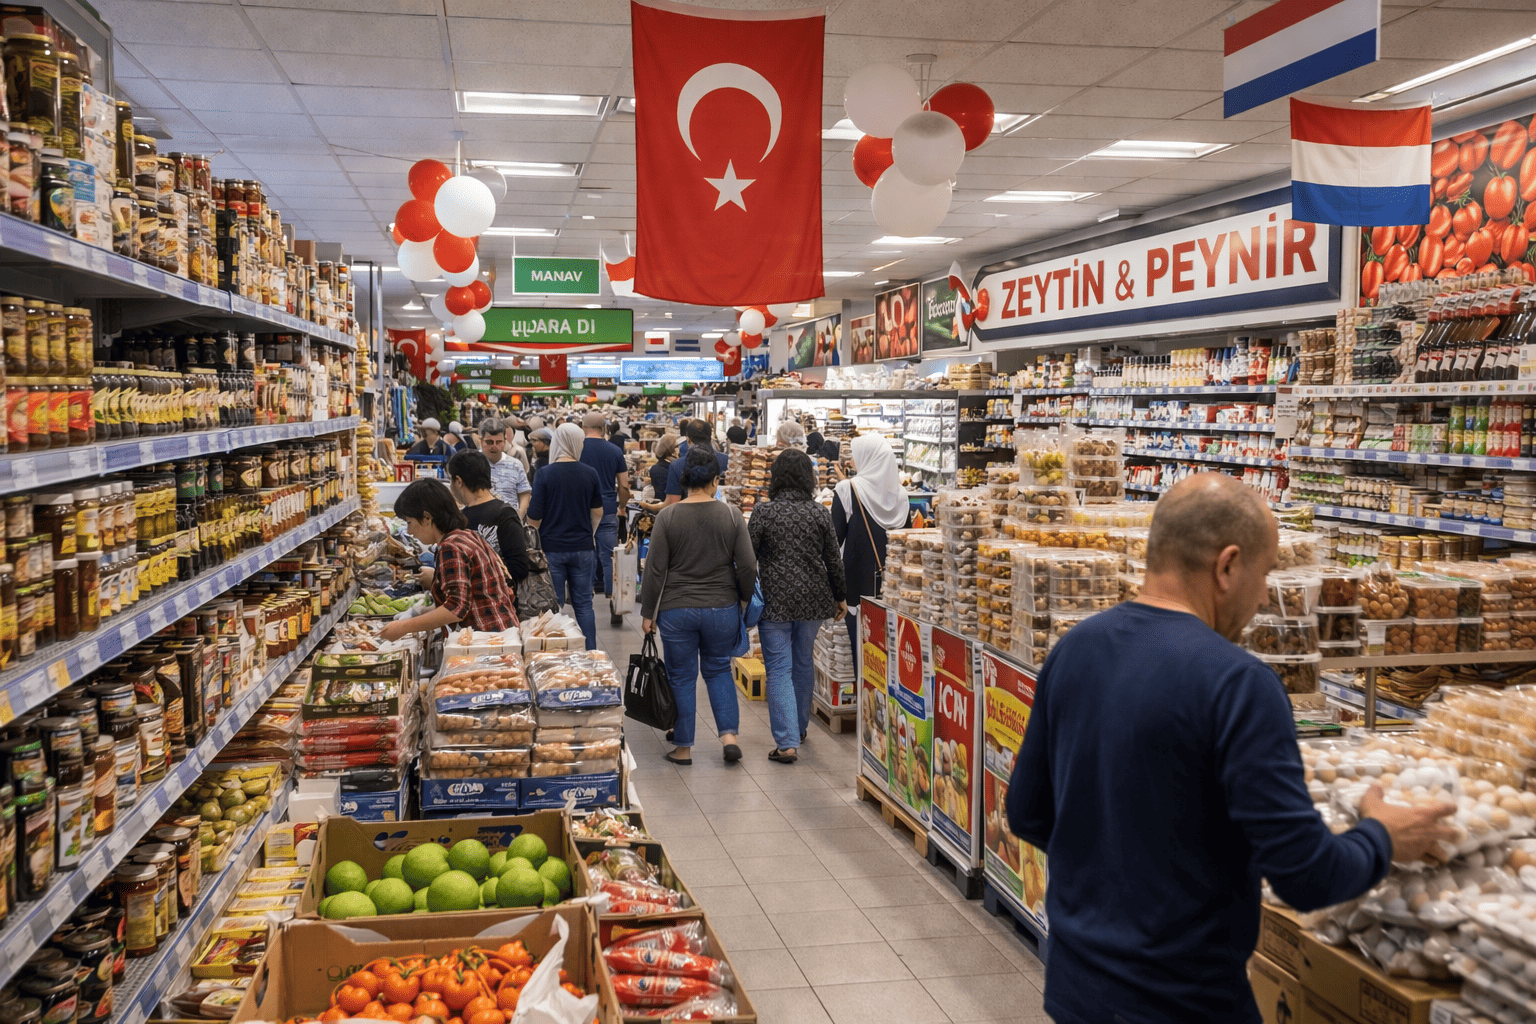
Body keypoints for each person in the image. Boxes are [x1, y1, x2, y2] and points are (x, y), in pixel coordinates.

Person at [1006, 474, 1457, 1024]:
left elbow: (1026, 812)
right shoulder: (1239, 684)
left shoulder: (1075, 648)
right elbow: (1307, 877)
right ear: (1227, 566)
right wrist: (1381, 834)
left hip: (1077, 989)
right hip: (1184, 1004)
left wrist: (1125, 861)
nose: (1266, 594)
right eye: (1265, 574)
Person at [640, 447, 756, 766]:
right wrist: (744, 600)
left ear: (684, 479)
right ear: (715, 480)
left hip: (677, 610)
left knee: (681, 675)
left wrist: (648, 613)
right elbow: (747, 566)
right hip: (722, 608)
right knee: (718, 670)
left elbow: (654, 570)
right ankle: (728, 738)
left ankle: (683, 748)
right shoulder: (731, 515)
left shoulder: (668, 516)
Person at [749, 449, 846, 763]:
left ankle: (787, 742)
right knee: (804, 662)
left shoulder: (764, 512)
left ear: (776, 476)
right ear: (809, 477)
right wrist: (840, 597)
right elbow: (833, 559)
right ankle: (800, 727)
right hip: (813, 600)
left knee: (778, 669)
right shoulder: (819, 512)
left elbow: (748, 558)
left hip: (775, 600)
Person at [379, 478, 518, 640]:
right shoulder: (468, 535)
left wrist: (403, 627)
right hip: (503, 633)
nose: (409, 531)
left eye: (409, 523)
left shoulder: (450, 547)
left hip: (486, 640)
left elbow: (456, 608)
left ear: (427, 518)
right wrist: (417, 613)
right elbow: (471, 597)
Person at [527, 422, 604, 649]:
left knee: (554, 605)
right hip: (582, 548)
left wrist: (537, 537)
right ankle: (591, 653)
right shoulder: (590, 473)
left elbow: (534, 516)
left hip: (551, 549)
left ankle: (553, 652)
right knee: (584, 605)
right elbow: (598, 511)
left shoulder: (545, 474)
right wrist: (589, 532)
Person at [832, 434, 911, 650]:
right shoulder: (902, 496)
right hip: (895, 591)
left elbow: (833, 541)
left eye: (856, 455)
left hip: (855, 589)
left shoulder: (847, 490)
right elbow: (908, 545)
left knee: (862, 655)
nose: (852, 461)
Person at [446, 450, 529, 585]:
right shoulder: (460, 518)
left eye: (451, 479)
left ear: (459, 481)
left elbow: (519, 569)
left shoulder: (504, 514)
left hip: (500, 601)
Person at [579, 411, 631, 599]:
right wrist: (622, 506)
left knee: (584, 554)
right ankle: (612, 599)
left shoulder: (575, 449)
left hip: (581, 510)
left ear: (583, 428)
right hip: (608, 509)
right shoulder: (615, 451)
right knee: (609, 557)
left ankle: (586, 595)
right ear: (604, 429)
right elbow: (624, 485)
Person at [664, 419, 728, 504]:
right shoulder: (728, 461)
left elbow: (672, 502)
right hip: (722, 513)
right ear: (711, 437)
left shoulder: (676, 465)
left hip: (686, 515)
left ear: (688, 440)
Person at [477, 417, 532, 515]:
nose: (494, 446)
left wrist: (519, 516)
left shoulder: (515, 465)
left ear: (505, 441)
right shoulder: (472, 462)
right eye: (489, 442)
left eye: (498, 442)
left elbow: (524, 493)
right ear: (481, 441)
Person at [642, 434, 680, 512]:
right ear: (671, 449)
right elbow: (663, 497)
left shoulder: (667, 465)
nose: (679, 448)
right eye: (676, 446)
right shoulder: (661, 469)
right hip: (666, 511)